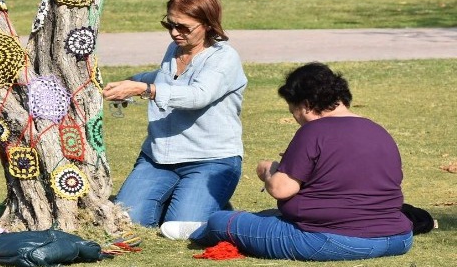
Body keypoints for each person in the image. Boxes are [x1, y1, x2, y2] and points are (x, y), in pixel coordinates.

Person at [161, 62, 414, 261]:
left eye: (292, 110)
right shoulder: (377, 130)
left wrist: (268, 169)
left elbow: (282, 188)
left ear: (304, 105)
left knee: (221, 221)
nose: (295, 117)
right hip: (398, 237)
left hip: (330, 239)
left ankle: (200, 231)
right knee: (263, 218)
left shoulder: (314, 130)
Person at [102, 0, 248, 227]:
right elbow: (164, 79)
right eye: (169, 24)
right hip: (158, 158)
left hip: (210, 160)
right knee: (127, 220)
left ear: (208, 25)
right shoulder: (175, 49)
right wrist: (133, 82)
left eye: (183, 27)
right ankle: (194, 200)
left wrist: (144, 90)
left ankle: (207, 202)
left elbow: (198, 95)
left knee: (179, 227)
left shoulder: (224, 58)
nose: (174, 32)